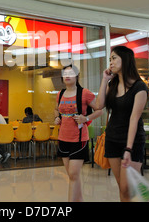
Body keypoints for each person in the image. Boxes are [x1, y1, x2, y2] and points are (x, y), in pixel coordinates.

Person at [95, 46, 148, 202]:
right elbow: (99, 105)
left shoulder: (139, 87)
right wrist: (105, 80)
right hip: (112, 139)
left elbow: (134, 119)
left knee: (129, 188)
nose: (110, 62)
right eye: (110, 59)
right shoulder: (113, 84)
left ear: (125, 60)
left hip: (132, 141)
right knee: (122, 189)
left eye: (114, 58)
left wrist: (128, 148)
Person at [54, 64, 102, 202]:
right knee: (72, 176)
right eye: (65, 73)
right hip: (63, 138)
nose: (67, 76)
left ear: (76, 76)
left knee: (74, 175)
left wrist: (86, 118)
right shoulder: (60, 94)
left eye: (71, 73)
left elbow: (99, 110)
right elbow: (56, 109)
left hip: (79, 139)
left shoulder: (84, 93)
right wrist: (57, 117)